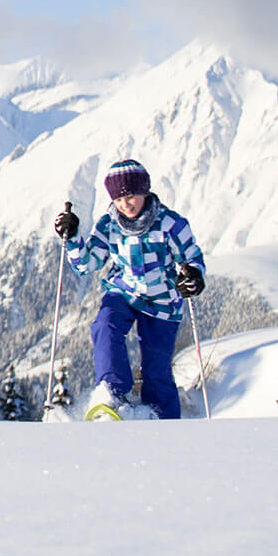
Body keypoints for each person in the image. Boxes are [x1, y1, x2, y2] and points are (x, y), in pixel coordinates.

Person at [53, 159, 208, 421]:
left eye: (131, 196)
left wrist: (193, 275)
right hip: (123, 292)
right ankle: (112, 393)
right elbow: (86, 264)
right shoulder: (109, 224)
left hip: (162, 300)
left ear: (144, 191)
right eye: (119, 199)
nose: (126, 204)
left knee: (156, 369)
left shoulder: (170, 223)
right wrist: (72, 237)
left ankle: (163, 418)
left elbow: (192, 257)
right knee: (105, 325)